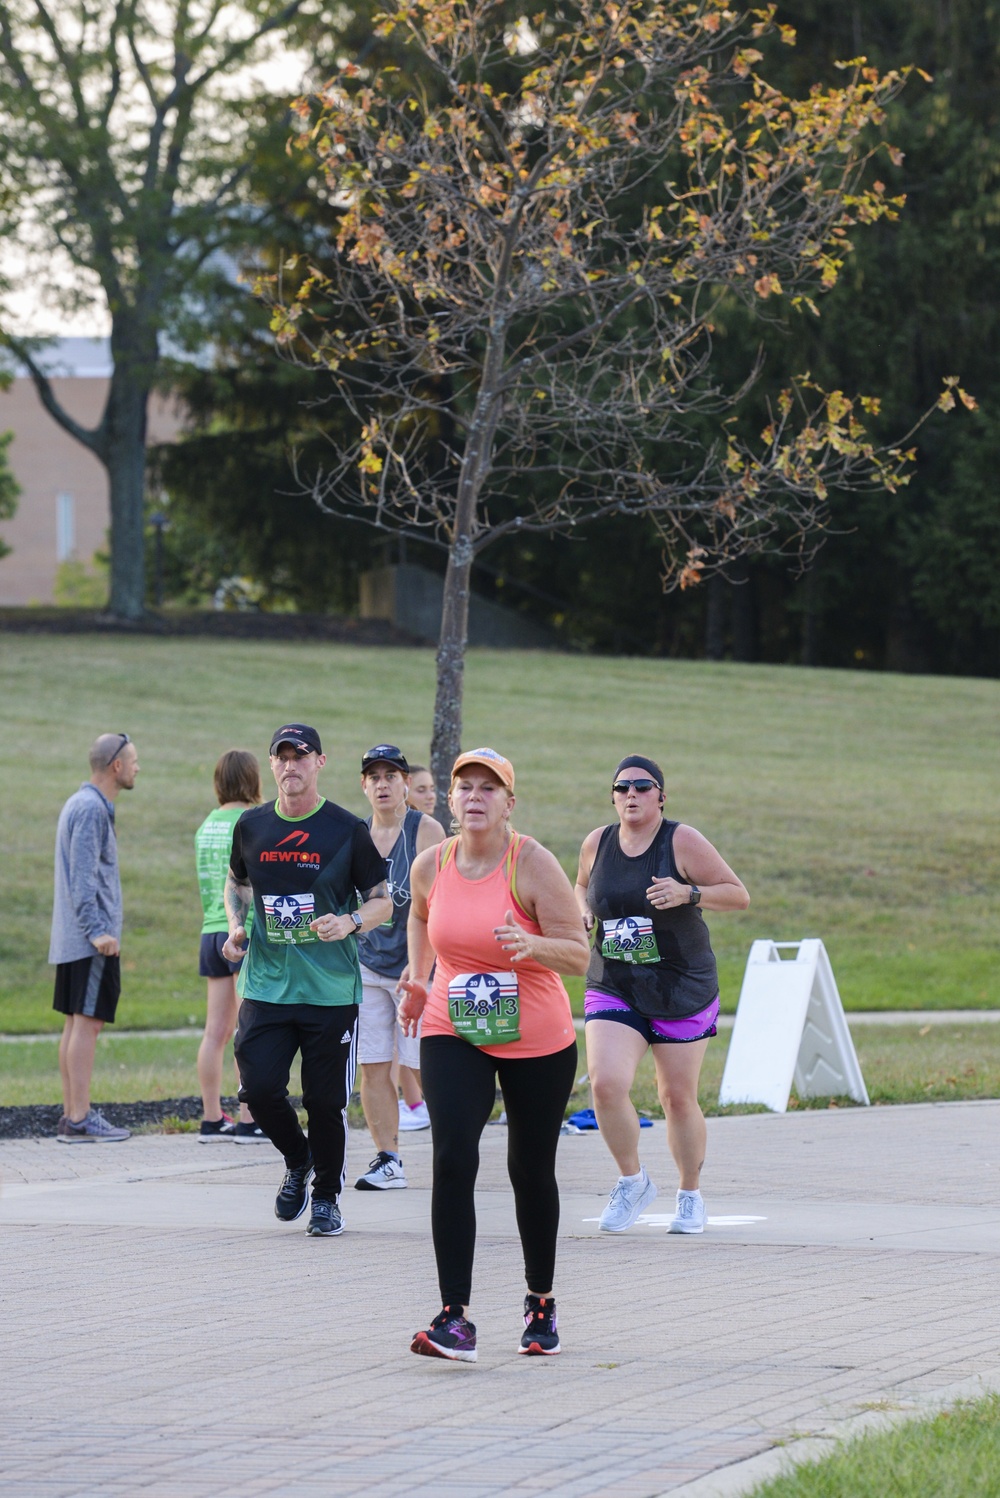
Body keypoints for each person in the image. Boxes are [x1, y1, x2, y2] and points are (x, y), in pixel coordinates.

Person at [399, 748, 589, 1362]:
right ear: (450, 802)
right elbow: (421, 913)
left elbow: (578, 955)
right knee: (453, 1154)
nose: (475, 797)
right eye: (465, 788)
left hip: (535, 1033)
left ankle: (541, 1301)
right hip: (452, 1025)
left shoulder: (532, 864)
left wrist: (531, 945)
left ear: (510, 802)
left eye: (489, 788)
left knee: (530, 1169)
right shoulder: (433, 863)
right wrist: (420, 976)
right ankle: (455, 1317)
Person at [224, 724, 391, 1237]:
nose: (290, 765)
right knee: (258, 1090)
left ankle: (327, 1199)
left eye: (301, 756)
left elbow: (383, 899)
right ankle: (299, 1160)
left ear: (320, 762)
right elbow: (238, 883)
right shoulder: (251, 827)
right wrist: (235, 926)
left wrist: (350, 922)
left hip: (329, 991)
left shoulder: (345, 829)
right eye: (282, 757)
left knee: (324, 1101)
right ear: (271, 765)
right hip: (266, 987)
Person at [575, 754, 749, 1235]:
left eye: (643, 786)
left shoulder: (682, 840)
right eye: (622, 787)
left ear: (661, 796)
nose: (632, 794)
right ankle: (632, 1180)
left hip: (680, 984)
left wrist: (688, 893)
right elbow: (581, 884)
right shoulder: (597, 842)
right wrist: (581, 911)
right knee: (605, 1083)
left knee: (676, 1097)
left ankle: (690, 1192)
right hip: (615, 981)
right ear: (613, 796)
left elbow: (738, 894)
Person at [354, 745, 444, 1188]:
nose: (383, 784)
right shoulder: (355, 834)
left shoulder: (426, 831)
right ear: (364, 785)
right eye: (375, 776)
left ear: (406, 783)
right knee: (373, 1064)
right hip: (368, 965)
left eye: (392, 775)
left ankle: (453, 1149)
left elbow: (441, 904)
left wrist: (423, 964)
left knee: (424, 1064)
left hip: (417, 968)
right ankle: (388, 1159)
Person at [50, 732, 139, 1142]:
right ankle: (81, 1117)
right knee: (87, 1026)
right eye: (133, 761)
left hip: (75, 939)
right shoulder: (90, 809)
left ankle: (73, 1116)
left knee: (76, 1024)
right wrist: (99, 931)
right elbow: (83, 878)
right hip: (90, 940)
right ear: (116, 766)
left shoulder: (82, 803)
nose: (138, 768)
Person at [194, 750, 267, 1142]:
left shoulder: (206, 825)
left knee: (215, 1030)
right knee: (248, 1028)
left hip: (210, 929)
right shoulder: (250, 821)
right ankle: (249, 1116)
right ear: (253, 779)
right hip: (243, 930)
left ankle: (210, 1118)